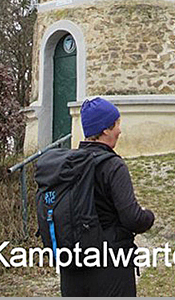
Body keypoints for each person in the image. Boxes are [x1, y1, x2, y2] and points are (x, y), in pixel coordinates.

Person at [60, 97, 154, 297]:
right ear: (105, 129)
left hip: (73, 264)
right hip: (110, 265)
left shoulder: (68, 164)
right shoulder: (113, 165)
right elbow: (132, 218)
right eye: (117, 124)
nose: (119, 131)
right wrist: (149, 217)